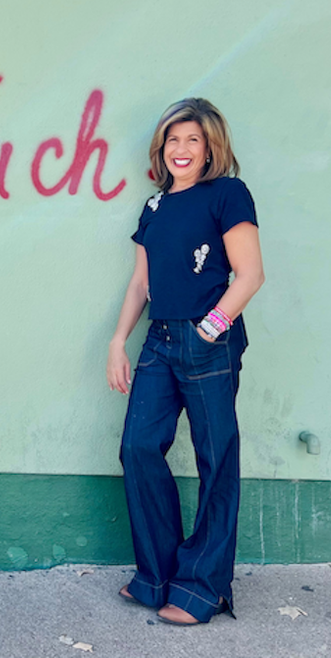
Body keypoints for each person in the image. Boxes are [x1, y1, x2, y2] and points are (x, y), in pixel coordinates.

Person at [106, 98, 264, 625]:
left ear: (210, 147)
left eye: (192, 140)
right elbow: (140, 284)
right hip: (158, 342)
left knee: (216, 461)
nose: (181, 149)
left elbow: (250, 275)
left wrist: (207, 330)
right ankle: (157, 577)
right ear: (162, 147)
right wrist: (118, 341)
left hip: (208, 341)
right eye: (173, 139)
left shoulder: (227, 194)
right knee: (138, 447)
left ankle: (202, 589)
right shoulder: (153, 208)